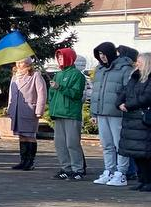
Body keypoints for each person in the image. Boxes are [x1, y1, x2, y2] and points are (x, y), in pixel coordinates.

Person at [92, 41, 135, 187]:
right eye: (100, 54)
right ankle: (109, 170)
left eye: (104, 54)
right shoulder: (99, 69)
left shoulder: (124, 68)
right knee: (107, 144)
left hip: (117, 113)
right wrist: (94, 112)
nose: (102, 57)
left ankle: (121, 173)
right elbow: (95, 92)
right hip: (102, 113)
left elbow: (128, 89)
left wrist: (123, 104)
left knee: (119, 145)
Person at [49, 47, 87, 180]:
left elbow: (76, 94)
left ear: (69, 58)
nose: (60, 59)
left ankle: (78, 169)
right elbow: (52, 94)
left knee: (72, 143)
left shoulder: (77, 75)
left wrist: (60, 87)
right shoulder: (58, 74)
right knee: (60, 144)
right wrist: (52, 107)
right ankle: (66, 168)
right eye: (58, 57)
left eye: (62, 57)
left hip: (71, 113)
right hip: (58, 113)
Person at [117, 52, 151, 191]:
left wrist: (128, 105)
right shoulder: (134, 77)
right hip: (131, 119)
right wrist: (119, 103)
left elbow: (147, 97)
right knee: (136, 153)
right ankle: (142, 179)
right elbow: (124, 92)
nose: (137, 64)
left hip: (143, 120)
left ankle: (148, 181)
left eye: (140, 62)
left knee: (145, 153)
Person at [7, 56, 47, 170]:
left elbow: (42, 93)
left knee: (29, 136)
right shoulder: (15, 77)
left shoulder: (35, 75)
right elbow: (11, 94)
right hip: (17, 111)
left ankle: (30, 162)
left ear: (28, 63)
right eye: (17, 62)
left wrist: (39, 110)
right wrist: (10, 108)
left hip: (29, 110)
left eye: (21, 62)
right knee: (21, 136)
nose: (18, 64)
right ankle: (23, 161)